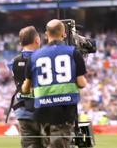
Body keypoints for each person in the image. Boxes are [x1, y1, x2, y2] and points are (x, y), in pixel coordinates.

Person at [22, 19, 87, 148]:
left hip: (42, 109)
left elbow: (26, 89)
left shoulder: (34, 57)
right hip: (65, 108)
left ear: (46, 34)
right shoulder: (73, 53)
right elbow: (81, 83)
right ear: (64, 34)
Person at [8, 26, 43, 148]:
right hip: (42, 110)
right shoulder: (43, 59)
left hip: (23, 110)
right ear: (37, 40)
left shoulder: (13, 62)